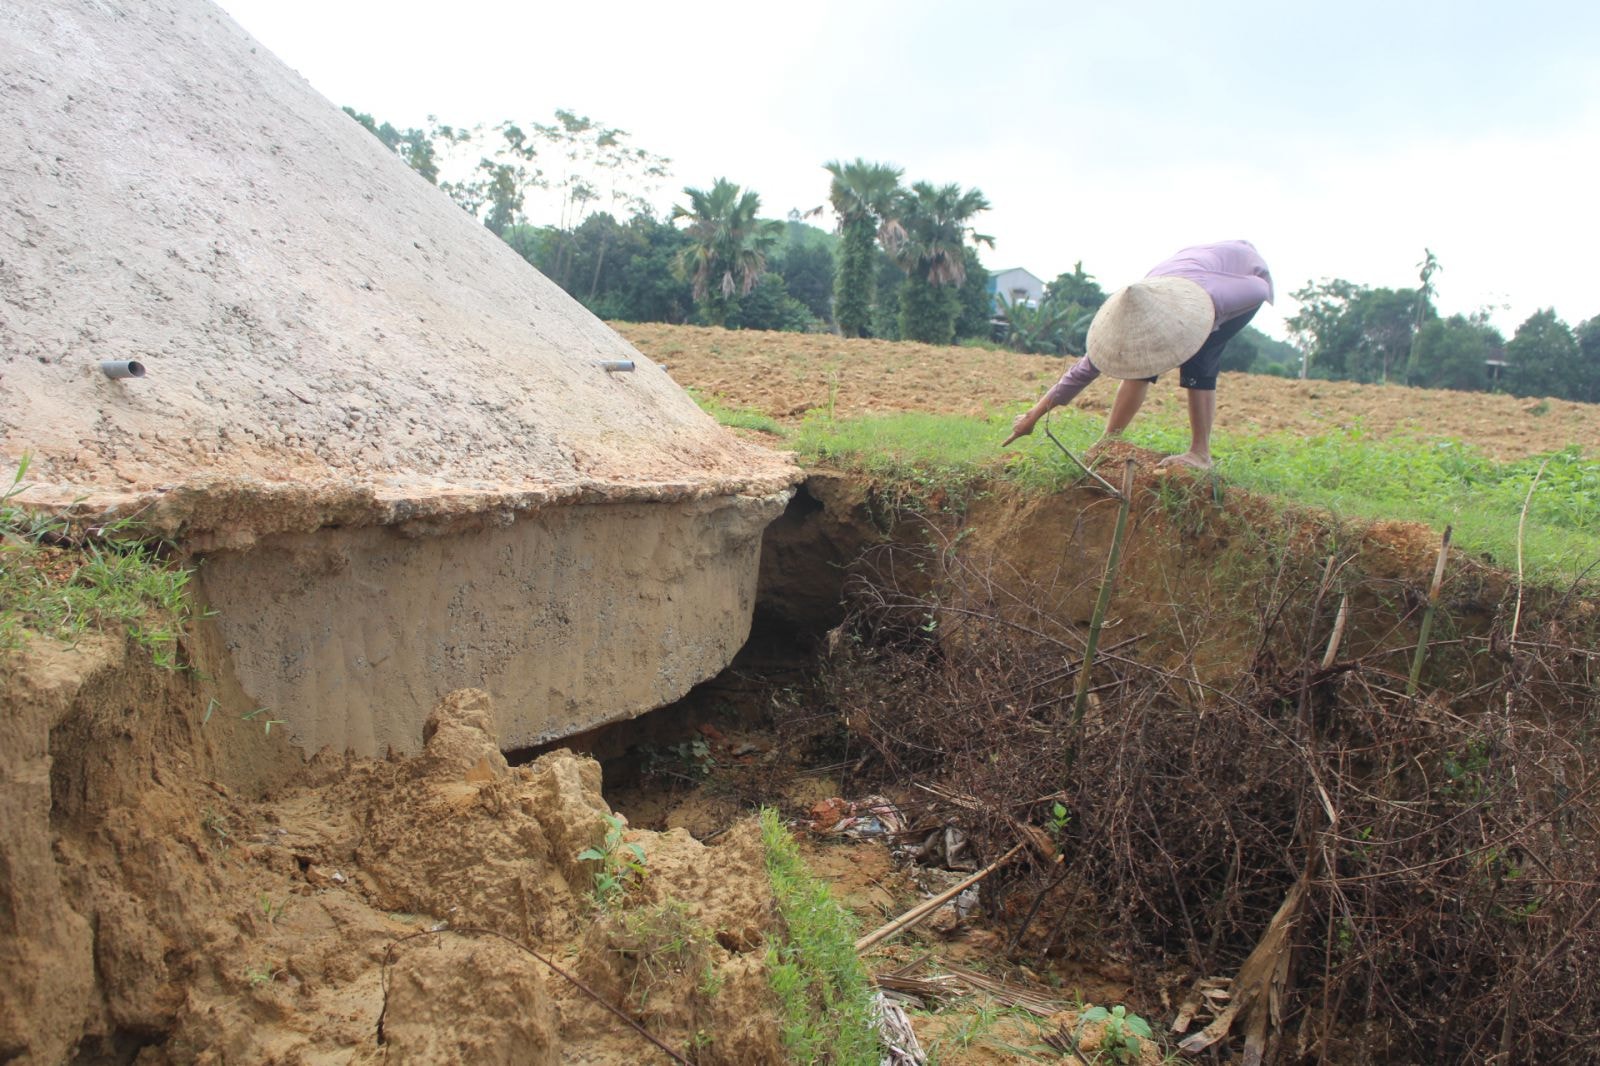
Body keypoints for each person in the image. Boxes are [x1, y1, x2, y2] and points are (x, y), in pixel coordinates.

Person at [1005, 240, 1273, 469]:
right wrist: (1033, 416)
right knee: (1141, 365)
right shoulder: (1139, 301)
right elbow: (1080, 373)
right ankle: (1109, 442)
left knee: (1200, 359)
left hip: (1237, 280)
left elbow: (1260, 287)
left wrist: (1213, 320)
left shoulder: (1216, 297)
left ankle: (1201, 453)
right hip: (1187, 272)